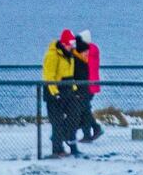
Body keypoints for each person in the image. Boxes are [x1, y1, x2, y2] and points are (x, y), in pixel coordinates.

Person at [42, 29, 81, 158]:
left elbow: (70, 75)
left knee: (75, 116)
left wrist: (75, 90)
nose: (72, 46)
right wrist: (55, 93)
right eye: (70, 43)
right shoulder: (52, 55)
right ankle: (57, 149)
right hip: (55, 92)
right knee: (57, 121)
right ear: (64, 43)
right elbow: (49, 76)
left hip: (68, 90)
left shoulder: (70, 56)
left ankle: (69, 140)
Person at [71, 31, 103, 143]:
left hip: (86, 85)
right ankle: (93, 129)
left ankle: (90, 132)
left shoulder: (86, 53)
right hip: (89, 85)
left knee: (84, 109)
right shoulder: (91, 52)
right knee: (85, 108)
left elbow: (80, 66)